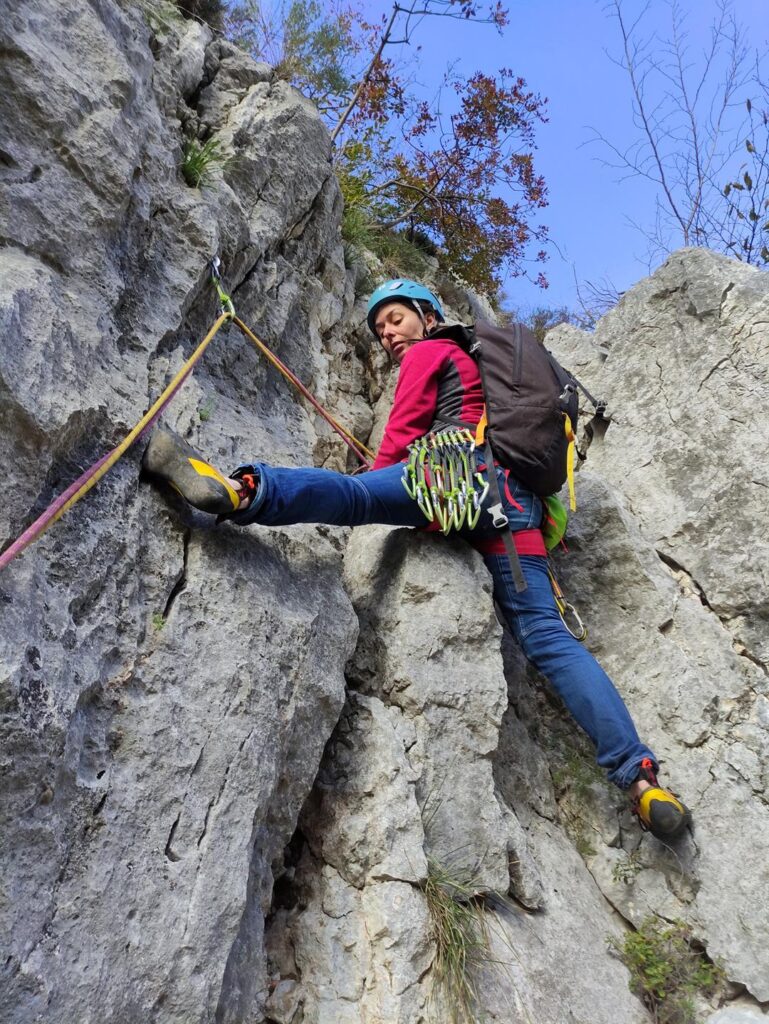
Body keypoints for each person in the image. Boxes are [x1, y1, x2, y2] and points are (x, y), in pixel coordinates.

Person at [142, 279, 691, 840]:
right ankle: (641, 779)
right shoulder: (474, 365)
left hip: (453, 473)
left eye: (397, 319)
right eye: (380, 329)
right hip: (515, 504)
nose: (387, 334)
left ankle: (238, 491)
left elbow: (401, 437)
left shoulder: (433, 351)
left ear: (429, 317)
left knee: (355, 498)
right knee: (548, 636)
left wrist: (376, 482)